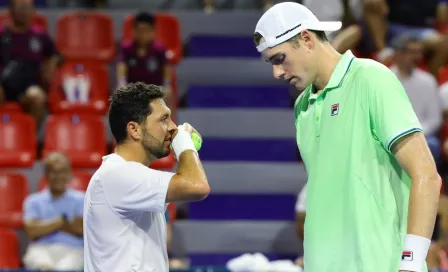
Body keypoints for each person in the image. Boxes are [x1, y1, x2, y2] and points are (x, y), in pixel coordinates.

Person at [253, 2, 441, 272]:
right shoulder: (302, 106)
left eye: (279, 59)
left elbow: (426, 175)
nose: (277, 73)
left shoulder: (371, 79)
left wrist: (410, 263)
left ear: (306, 39)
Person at [83, 82, 210, 272]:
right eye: (164, 120)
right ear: (134, 129)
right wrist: (184, 144)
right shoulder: (118, 175)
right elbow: (197, 186)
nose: (173, 128)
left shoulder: (128, 175)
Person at [0, 0, 58, 127]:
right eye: (21, 8)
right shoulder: (3, 34)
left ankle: (28, 139)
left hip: (28, 85)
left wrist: (48, 70)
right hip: (4, 84)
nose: (24, 12)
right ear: (11, 11)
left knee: (38, 98)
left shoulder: (40, 35)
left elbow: (53, 55)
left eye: (28, 8)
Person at [22, 152, 84, 271]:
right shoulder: (32, 201)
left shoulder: (82, 199)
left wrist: (44, 226)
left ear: (69, 174)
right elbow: (32, 231)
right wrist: (62, 221)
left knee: (67, 267)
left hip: (74, 250)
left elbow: (81, 229)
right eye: (53, 171)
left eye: (62, 171)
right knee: (42, 266)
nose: (58, 176)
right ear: (45, 175)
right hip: (40, 249)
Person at [389, 34, 443, 167]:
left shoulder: (428, 81)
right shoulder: (386, 78)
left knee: (433, 145)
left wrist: (416, 133)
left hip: (422, 133)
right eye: (412, 52)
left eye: (419, 52)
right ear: (398, 54)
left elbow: (435, 119)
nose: (417, 57)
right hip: (391, 133)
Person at [117, 12, 172, 103]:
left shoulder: (159, 49)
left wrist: (167, 84)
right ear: (133, 31)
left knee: (168, 93)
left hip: (155, 91)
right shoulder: (126, 48)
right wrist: (121, 83)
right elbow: (122, 66)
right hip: (132, 92)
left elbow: (166, 68)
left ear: (153, 31)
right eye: (139, 30)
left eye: (146, 31)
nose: (143, 34)